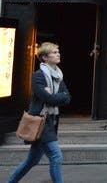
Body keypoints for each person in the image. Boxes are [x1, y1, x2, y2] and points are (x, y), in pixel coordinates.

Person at [8, 42, 71, 183]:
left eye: (58, 51)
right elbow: (47, 98)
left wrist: (56, 97)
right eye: (54, 52)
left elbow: (67, 98)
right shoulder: (38, 76)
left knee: (32, 161)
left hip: (51, 121)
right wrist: (58, 96)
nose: (58, 54)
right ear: (44, 57)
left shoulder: (58, 76)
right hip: (40, 121)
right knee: (56, 156)